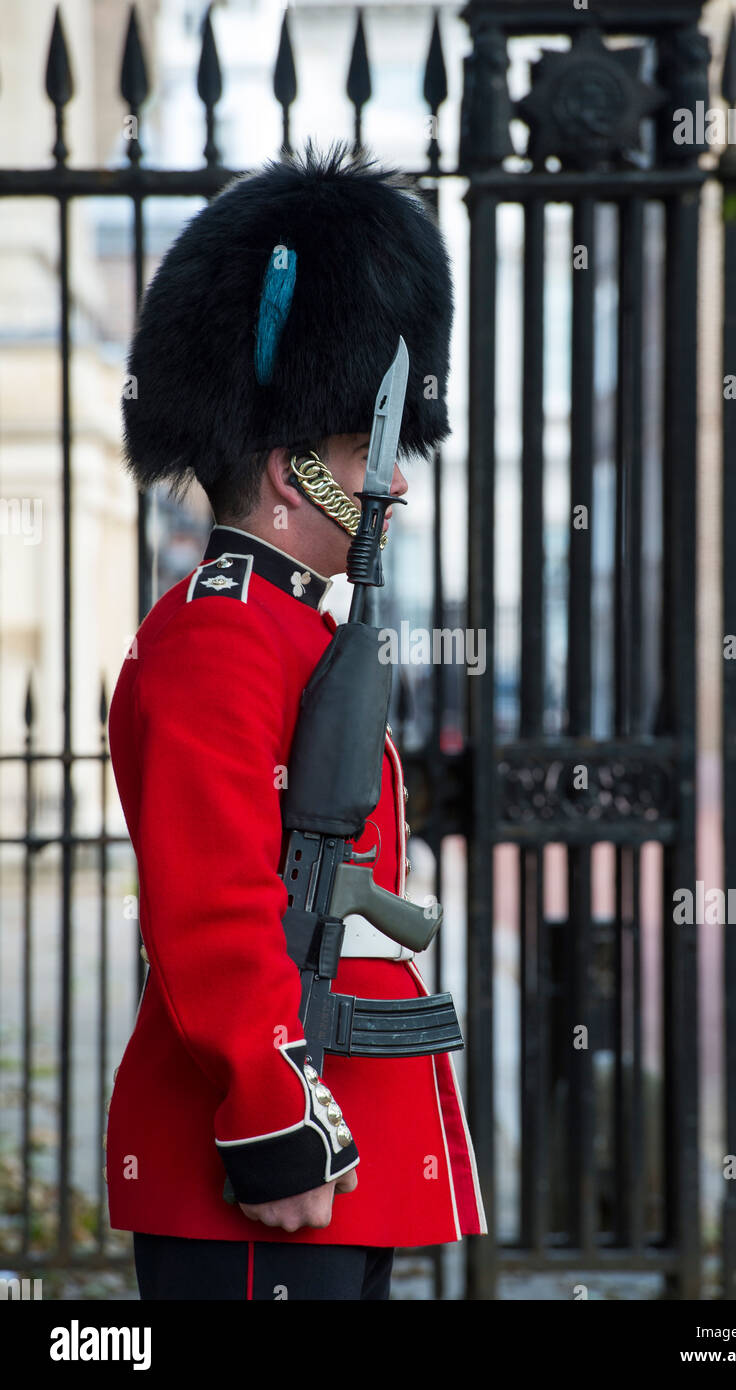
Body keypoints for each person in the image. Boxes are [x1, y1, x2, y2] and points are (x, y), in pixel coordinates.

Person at [105, 142, 486, 1301]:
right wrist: (274, 1115)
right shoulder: (217, 634)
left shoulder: (288, 628)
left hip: (325, 1149)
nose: (395, 487)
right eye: (370, 454)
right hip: (265, 1166)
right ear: (290, 470)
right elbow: (214, 901)